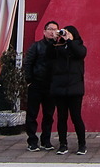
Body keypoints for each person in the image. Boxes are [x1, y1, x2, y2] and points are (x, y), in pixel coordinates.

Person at [49, 24, 88, 155]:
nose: (64, 35)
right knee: (61, 117)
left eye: (67, 33)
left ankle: (82, 144)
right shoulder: (58, 48)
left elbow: (80, 53)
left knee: (76, 117)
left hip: (75, 88)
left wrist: (70, 41)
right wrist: (54, 40)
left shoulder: (78, 46)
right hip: (59, 88)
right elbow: (49, 56)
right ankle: (62, 144)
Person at [22, 20, 59, 152]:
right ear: (44, 31)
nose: (52, 31)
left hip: (51, 86)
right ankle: (32, 141)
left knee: (48, 115)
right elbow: (28, 63)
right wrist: (29, 80)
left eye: (55, 29)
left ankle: (46, 141)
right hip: (36, 84)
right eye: (50, 29)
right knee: (32, 114)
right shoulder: (36, 46)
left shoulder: (58, 47)